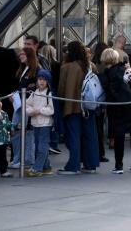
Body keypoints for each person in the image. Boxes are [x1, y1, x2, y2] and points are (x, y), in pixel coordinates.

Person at [98, 48, 131, 174]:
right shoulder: (123, 70)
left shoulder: (104, 75)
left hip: (115, 108)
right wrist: (130, 69)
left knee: (119, 137)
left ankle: (118, 166)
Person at [58, 41, 99, 174]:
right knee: (89, 136)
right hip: (88, 106)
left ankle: (73, 165)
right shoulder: (90, 66)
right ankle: (90, 165)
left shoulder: (66, 67)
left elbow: (62, 89)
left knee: (74, 136)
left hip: (72, 106)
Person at [11, 47, 51, 169]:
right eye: (20, 54)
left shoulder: (36, 70)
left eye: (23, 54)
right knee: (17, 131)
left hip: (29, 106)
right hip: (20, 105)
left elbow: (36, 89)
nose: (20, 56)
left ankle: (27, 160)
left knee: (28, 132)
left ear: (29, 55)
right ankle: (18, 159)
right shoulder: (23, 69)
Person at [25, 74, 55, 177]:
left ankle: (37, 169)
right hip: (35, 123)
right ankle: (46, 167)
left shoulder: (49, 93)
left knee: (42, 146)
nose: (41, 82)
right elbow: (27, 104)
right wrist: (31, 111)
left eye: (44, 80)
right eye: (40, 79)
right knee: (38, 146)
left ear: (48, 81)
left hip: (46, 124)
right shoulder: (34, 93)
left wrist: (39, 111)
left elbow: (51, 109)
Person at [90, 42, 110, 163]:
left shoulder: (92, 63)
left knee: (94, 127)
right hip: (101, 99)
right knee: (99, 128)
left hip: (92, 99)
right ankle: (100, 153)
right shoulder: (104, 66)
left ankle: (93, 152)